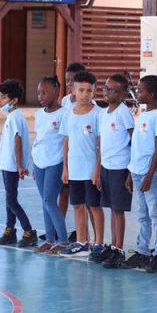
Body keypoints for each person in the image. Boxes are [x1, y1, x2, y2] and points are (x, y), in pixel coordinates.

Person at [123, 75, 157, 273]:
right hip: (137, 171)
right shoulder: (143, 115)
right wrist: (130, 172)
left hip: (151, 172)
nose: (137, 93)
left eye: (140, 90)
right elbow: (137, 147)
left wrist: (150, 175)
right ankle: (142, 250)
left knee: (156, 213)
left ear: (151, 95)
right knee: (142, 214)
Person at [59, 71, 104, 257]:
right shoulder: (68, 114)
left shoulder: (99, 114)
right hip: (74, 170)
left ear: (94, 91)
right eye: (81, 90)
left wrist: (98, 169)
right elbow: (66, 142)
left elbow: (101, 145)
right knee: (78, 205)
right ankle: (82, 242)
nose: (85, 94)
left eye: (89, 90)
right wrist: (65, 168)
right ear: (73, 90)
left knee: (94, 206)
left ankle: (99, 243)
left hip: (91, 169)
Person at [93, 73, 136, 268]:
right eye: (105, 88)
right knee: (111, 208)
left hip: (120, 167)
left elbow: (134, 140)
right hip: (106, 167)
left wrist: (130, 172)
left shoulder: (123, 112)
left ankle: (119, 249)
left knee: (118, 210)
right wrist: (98, 169)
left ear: (123, 94)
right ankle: (112, 245)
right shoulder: (103, 114)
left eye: (113, 90)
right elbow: (101, 144)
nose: (107, 92)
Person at [0, 79, 37, 248]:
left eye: (4, 97)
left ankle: (28, 231)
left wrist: (20, 165)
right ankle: (10, 230)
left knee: (11, 201)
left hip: (12, 165)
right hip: (7, 164)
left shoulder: (14, 117)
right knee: (9, 199)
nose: (0, 101)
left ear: (14, 100)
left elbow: (18, 142)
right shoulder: (13, 116)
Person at [31, 76, 68, 253]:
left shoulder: (64, 114)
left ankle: (63, 240)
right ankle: (50, 238)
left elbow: (67, 141)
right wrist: (34, 163)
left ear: (56, 91)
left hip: (56, 162)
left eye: (45, 92)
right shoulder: (39, 115)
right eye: (39, 92)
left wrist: (66, 167)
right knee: (45, 202)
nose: (41, 96)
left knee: (49, 200)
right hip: (39, 162)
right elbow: (38, 139)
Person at [59, 61, 87, 242]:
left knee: (83, 201)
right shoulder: (64, 101)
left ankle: (82, 234)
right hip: (68, 156)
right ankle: (59, 228)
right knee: (64, 192)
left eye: (73, 80)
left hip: (82, 158)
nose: (69, 84)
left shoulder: (90, 106)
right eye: (67, 80)